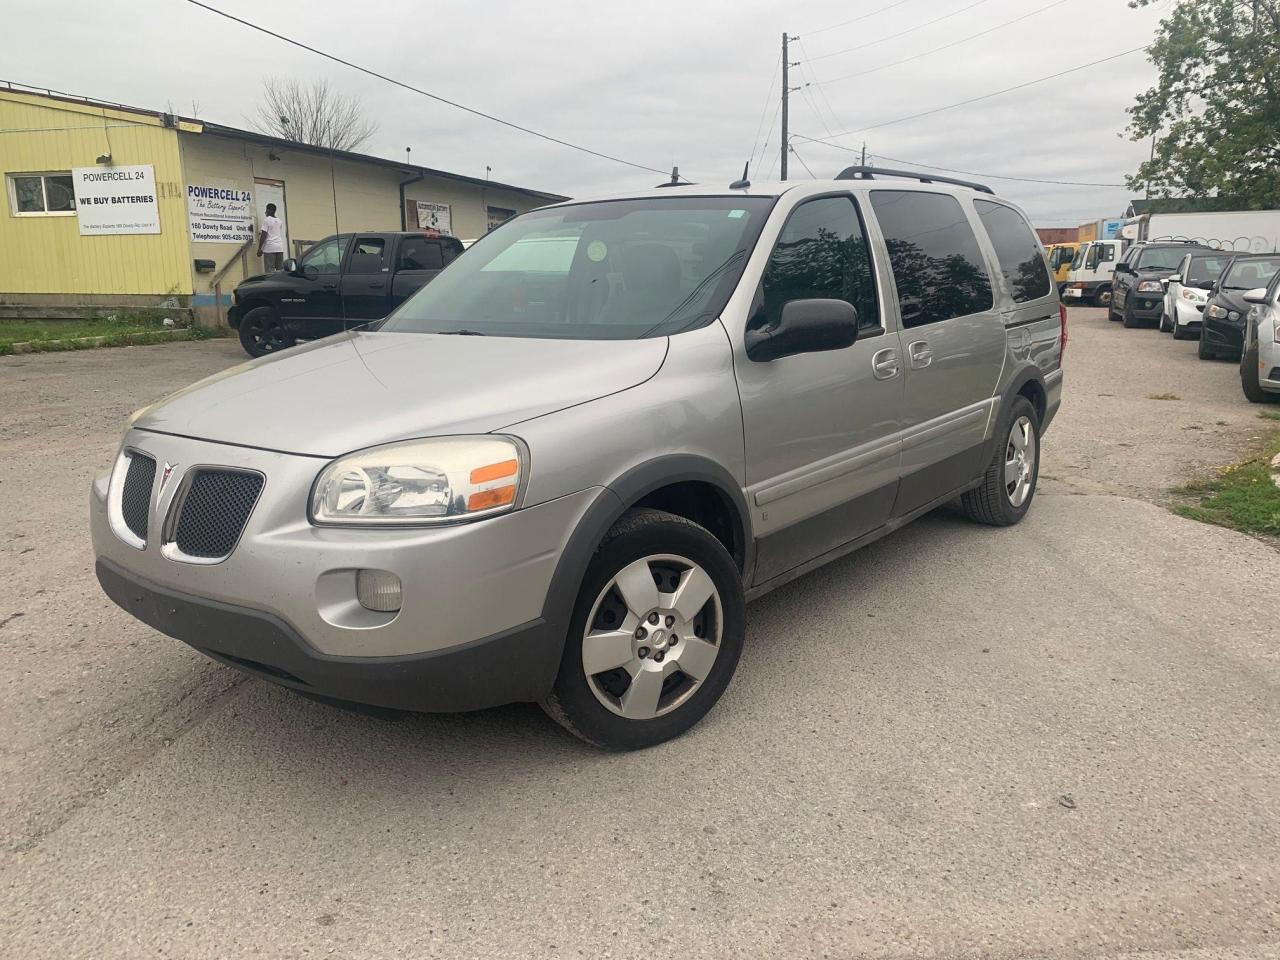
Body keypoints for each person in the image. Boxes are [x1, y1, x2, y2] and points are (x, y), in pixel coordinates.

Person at [257, 203, 285, 271]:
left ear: (270, 210)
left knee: (270, 270)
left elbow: (264, 235)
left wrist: (259, 248)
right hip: (279, 247)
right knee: (280, 269)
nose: (265, 212)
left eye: (267, 209)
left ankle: (271, 282)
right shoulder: (279, 221)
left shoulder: (266, 220)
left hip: (270, 248)